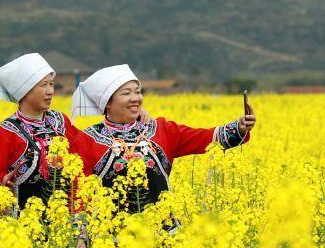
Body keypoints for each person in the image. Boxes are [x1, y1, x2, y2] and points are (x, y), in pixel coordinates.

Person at [72, 64, 256, 215]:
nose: (136, 98)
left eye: (138, 91)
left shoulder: (160, 129)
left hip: (162, 235)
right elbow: (77, 193)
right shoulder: (87, 139)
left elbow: (206, 138)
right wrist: (81, 234)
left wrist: (239, 127)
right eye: (126, 93)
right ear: (107, 103)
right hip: (110, 242)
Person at [0, 53, 95, 212]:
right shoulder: (4, 132)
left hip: (64, 220)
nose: (50, 91)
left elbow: (87, 157)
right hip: (24, 224)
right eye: (44, 85)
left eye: (51, 84)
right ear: (25, 91)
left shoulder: (60, 121)